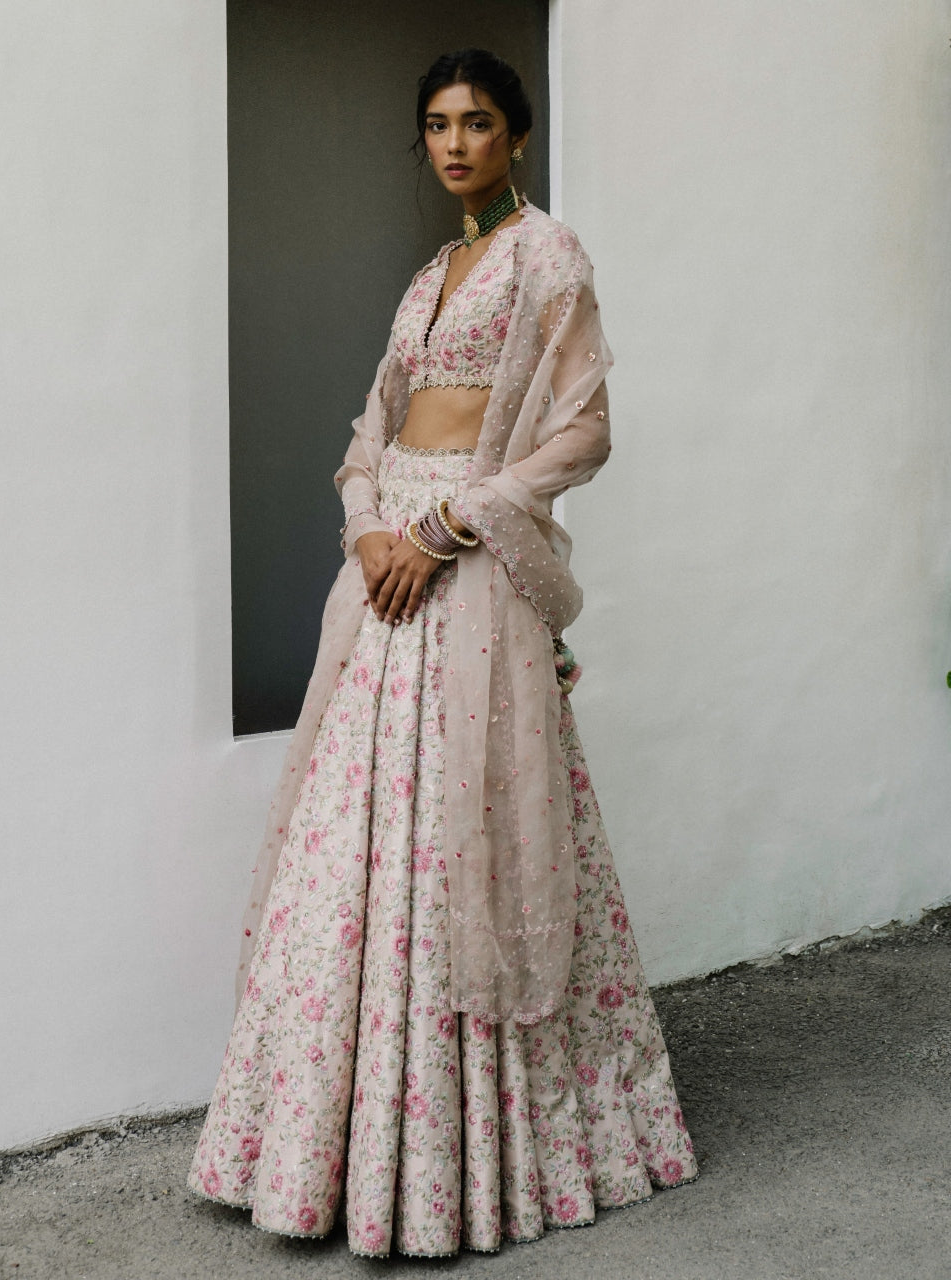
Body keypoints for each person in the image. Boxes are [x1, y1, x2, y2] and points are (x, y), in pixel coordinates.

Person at [188, 48, 698, 1257]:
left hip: (469, 562)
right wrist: (370, 525)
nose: (454, 141)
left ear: (514, 134)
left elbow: (581, 426)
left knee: (468, 831)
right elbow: (372, 424)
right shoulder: (430, 274)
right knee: (350, 842)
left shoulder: (545, 253)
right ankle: (328, 1148)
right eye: (434, 124)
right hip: (385, 572)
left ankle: (472, 1158)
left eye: (476, 121)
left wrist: (447, 524)